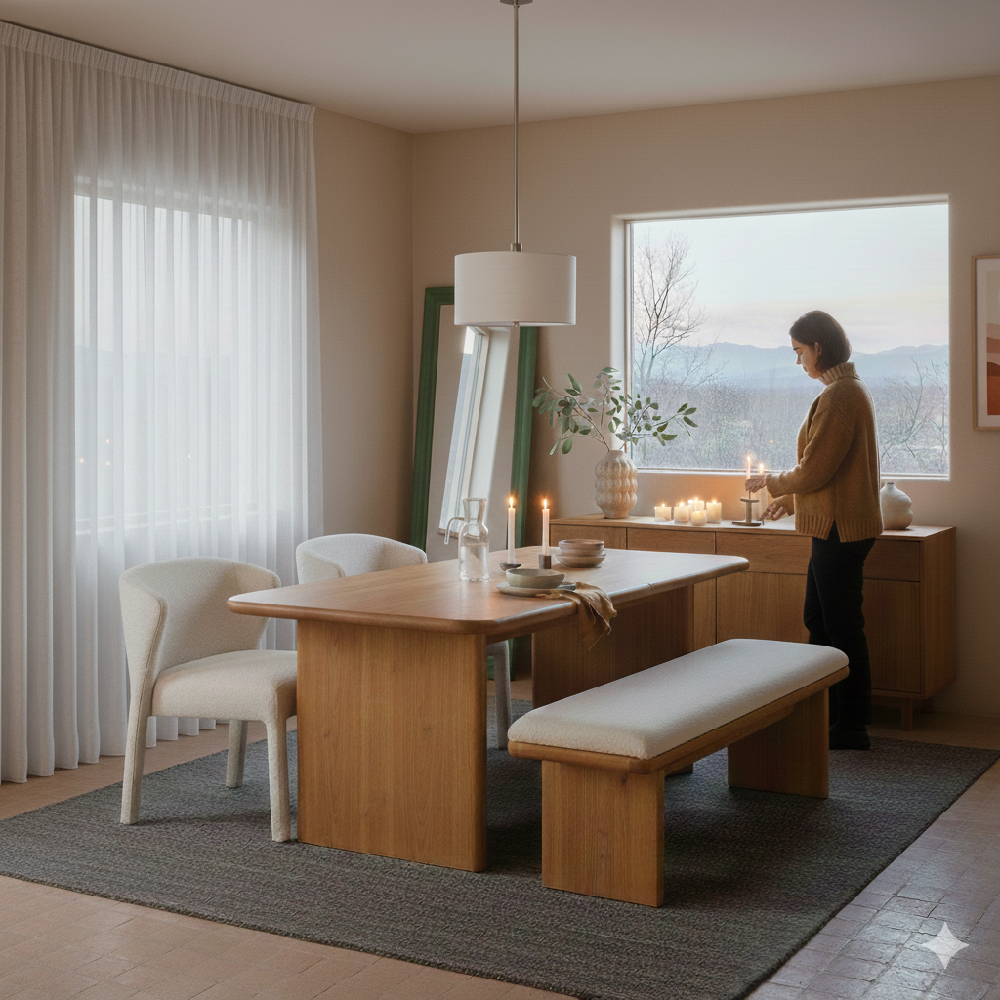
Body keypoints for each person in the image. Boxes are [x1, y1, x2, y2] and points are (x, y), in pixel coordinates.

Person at [744, 311, 882, 750]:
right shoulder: (844, 391)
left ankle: (851, 724)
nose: (799, 362)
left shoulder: (841, 396)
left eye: (800, 352)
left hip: (841, 531)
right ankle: (830, 714)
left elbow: (815, 468)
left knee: (839, 626)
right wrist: (787, 501)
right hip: (837, 525)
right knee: (822, 621)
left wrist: (773, 483)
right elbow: (830, 474)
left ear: (818, 348)